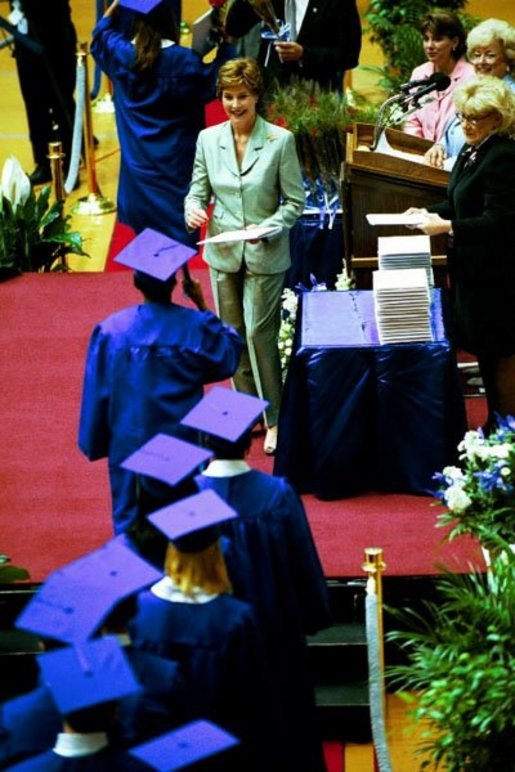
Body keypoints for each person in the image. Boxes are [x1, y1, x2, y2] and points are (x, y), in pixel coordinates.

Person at [180, 386, 331, 771]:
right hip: (274, 634)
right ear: (251, 439)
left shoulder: (188, 500)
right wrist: (313, 613)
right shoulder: (277, 496)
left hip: (209, 646)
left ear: (204, 440)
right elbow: (302, 567)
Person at [77, 229, 242, 533]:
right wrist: (202, 305)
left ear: (136, 282)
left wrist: (97, 441)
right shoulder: (195, 327)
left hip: (130, 441)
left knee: (132, 524)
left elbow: (97, 392)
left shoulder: (111, 331)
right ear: (175, 283)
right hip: (182, 441)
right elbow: (228, 355)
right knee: (185, 522)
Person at [184, 57, 305, 455]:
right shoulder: (207, 139)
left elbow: (295, 203)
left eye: (242, 97)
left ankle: (277, 417)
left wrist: (267, 226)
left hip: (265, 252)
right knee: (233, 336)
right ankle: (248, 408)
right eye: (228, 97)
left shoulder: (279, 142)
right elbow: (197, 192)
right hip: (223, 251)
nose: (234, 105)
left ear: (257, 97)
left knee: (258, 333)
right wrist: (192, 209)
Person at [129, 488, 278, 771]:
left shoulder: (141, 610)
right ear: (216, 553)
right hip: (220, 739)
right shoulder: (234, 619)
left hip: (158, 743)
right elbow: (253, 694)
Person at [405, 77, 515, 432]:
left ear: (497, 120)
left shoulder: (503, 157)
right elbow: (458, 203)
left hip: (497, 277)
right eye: (463, 116)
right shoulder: (473, 151)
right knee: (485, 351)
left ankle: (507, 431)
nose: (466, 124)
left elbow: (499, 220)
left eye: (475, 118)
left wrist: (447, 227)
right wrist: (425, 212)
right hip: (472, 273)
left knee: (500, 356)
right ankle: (497, 427)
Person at [90, 0, 232, 248]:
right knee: (174, 247)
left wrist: (117, 5)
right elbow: (218, 80)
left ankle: (160, 284)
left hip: (138, 182)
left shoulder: (122, 56)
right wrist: (225, 42)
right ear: (171, 22)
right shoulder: (185, 62)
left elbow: (100, 34)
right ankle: (169, 283)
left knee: (154, 254)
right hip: (176, 179)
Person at [425, 18, 515, 169]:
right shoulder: (471, 88)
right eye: (476, 54)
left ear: (508, 58)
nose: (481, 61)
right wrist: (439, 147)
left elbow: (495, 152)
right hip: (447, 175)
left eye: (490, 55)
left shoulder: (510, 96)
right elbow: (452, 130)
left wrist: (446, 166)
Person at [8, 0, 78, 185]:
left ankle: (71, 164)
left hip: (55, 37)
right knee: (34, 104)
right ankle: (44, 164)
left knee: (61, 102)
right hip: (25, 41)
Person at [224, 0, 362, 91]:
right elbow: (234, 28)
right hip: (271, 95)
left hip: (316, 99)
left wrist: (304, 54)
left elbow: (350, 56)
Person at [403, 10, 474, 142]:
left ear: (455, 42)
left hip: (453, 155)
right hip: (419, 154)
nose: (429, 46)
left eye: (437, 39)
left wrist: (441, 149)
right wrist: (418, 148)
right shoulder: (419, 73)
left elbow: (469, 126)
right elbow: (412, 120)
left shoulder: (472, 77)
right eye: (426, 39)